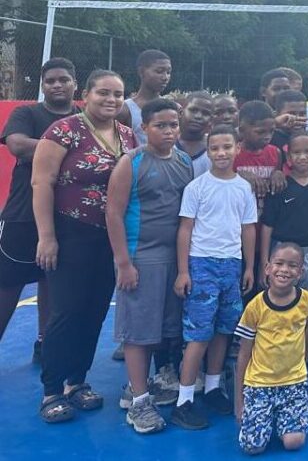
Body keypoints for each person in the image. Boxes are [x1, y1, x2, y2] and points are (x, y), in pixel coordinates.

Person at [33, 69, 137, 424]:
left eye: (117, 94)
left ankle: (76, 383)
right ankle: (50, 390)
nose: (110, 100)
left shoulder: (127, 135)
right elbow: (42, 182)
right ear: (87, 94)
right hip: (70, 232)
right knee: (65, 311)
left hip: (109, 237)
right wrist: (47, 236)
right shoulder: (64, 130)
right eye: (103, 93)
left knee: (94, 311)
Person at [105, 98, 193, 433]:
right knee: (138, 332)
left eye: (173, 125)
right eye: (161, 125)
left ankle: (138, 387)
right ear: (145, 128)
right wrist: (123, 262)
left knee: (163, 328)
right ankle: (139, 402)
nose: (169, 131)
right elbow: (113, 212)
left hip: (174, 258)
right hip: (141, 256)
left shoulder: (184, 161)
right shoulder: (132, 162)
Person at [172, 125, 258, 430]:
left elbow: (248, 228)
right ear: (208, 152)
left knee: (224, 329)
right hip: (201, 264)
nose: (221, 153)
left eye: (226, 147)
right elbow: (185, 229)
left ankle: (212, 387)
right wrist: (184, 270)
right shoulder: (197, 187)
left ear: (237, 148)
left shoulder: (243, 188)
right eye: (215, 148)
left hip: (231, 265)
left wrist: (248, 267)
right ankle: (184, 399)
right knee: (198, 333)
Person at [0, 58, 77, 357]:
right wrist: (68, 149)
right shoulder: (27, 113)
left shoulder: (83, 118)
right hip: (22, 215)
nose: (57, 85)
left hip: (66, 216)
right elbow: (17, 145)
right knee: (8, 284)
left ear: (75, 83)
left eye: (63, 79)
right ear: (43, 86)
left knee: (52, 283)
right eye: (51, 81)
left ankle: (45, 344)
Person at [234, 243, 308, 455]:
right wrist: (239, 402)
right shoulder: (255, 306)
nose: (284, 270)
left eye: (292, 265)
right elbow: (244, 353)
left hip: (293, 383)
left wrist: (305, 355)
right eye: (279, 263)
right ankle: (265, 416)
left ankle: (283, 418)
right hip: (259, 384)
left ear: (301, 272)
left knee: (293, 442)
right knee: (253, 447)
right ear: (267, 268)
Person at [259, 133, 308, 294]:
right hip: (281, 252)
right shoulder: (280, 186)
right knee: (279, 298)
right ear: (288, 156)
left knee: (307, 302)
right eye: (297, 152)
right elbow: (267, 226)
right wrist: (264, 261)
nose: (302, 157)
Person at [118, 49, 172, 146]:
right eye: (159, 71)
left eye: (168, 72)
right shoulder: (126, 110)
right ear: (141, 72)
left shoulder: (172, 108)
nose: (165, 77)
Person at [176, 91, 214, 177]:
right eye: (193, 110)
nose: (198, 116)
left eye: (205, 113)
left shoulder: (215, 149)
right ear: (181, 113)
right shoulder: (168, 145)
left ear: (211, 120)